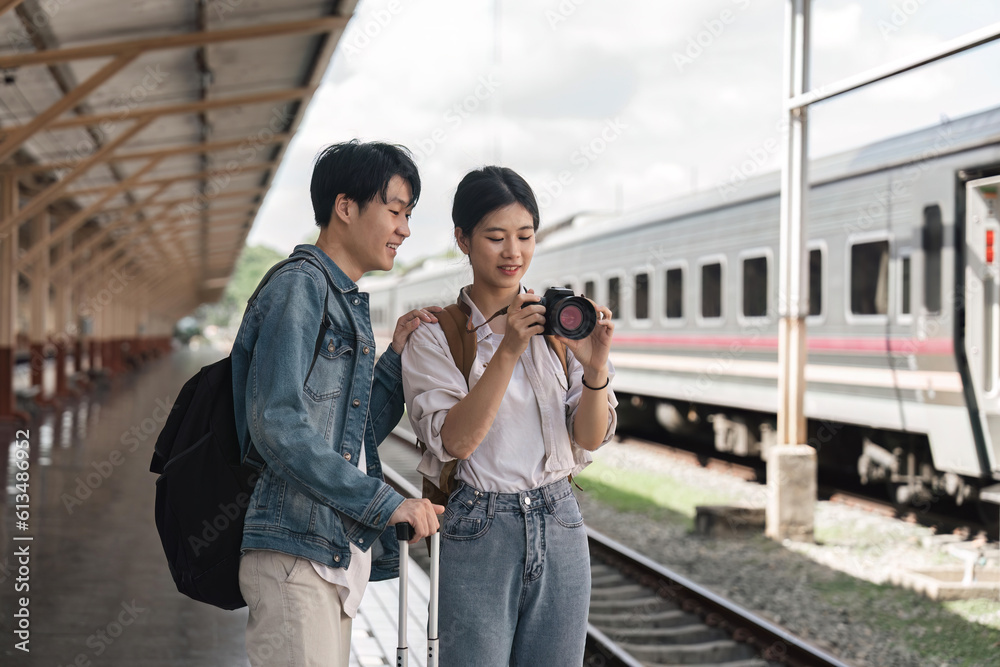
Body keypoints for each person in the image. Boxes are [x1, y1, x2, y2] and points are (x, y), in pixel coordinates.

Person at [231, 140, 445, 667]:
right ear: (345, 207)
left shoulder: (340, 299)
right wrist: (385, 502)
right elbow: (277, 426)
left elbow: (350, 435)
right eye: (395, 210)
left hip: (324, 554)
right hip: (293, 557)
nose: (405, 228)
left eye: (408, 214)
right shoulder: (300, 287)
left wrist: (394, 357)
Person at [401, 166, 618, 665]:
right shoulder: (436, 334)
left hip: (560, 519)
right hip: (477, 528)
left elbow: (589, 437)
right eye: (495, 237)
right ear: (463, 239)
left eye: (525, 236)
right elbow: (455, 442)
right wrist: (508, 350)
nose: (513, 252)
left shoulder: (561, 325)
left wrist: (596, 368)